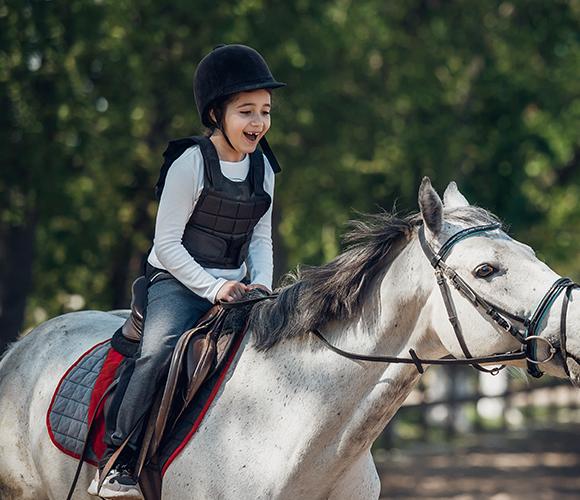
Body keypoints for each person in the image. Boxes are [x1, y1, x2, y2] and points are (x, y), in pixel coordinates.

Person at [88, 44, 285, 499]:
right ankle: (119, 456)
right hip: (177, 283)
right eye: (246, 112)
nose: (258, 123)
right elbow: (167, 246)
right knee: (159, 352)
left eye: (266, 112)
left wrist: (263, 287)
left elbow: (259, 238)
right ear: (217, 114)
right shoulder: (190, 163)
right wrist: (215, 288)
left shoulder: (264, 168)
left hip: (237, 287)